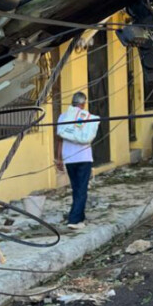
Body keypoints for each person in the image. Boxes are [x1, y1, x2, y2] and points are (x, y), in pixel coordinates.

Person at [55, 91, 100, 230]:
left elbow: (59, 139)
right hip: (83, 158)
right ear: (83, 103)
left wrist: (59, 158)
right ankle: (74, 219)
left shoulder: (63, 117)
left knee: (76, 188)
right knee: (81, 189)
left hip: (69, 158)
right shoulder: (88, 118)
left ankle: (80, 218)